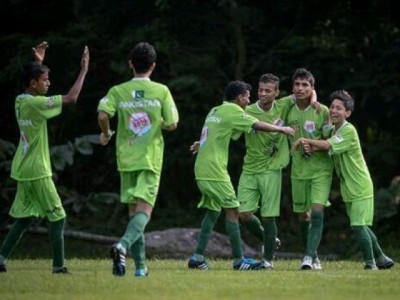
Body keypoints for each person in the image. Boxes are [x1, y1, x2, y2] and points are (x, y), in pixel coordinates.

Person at [0, 41, 89, 274]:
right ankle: (59, 267)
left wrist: (38, 63)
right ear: (33, 83)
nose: (48, 82)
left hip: (22, 167)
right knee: (58, 217)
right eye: (45, 79)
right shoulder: (37, 104)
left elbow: (33, 83)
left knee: (25, 218)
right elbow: (71, 98)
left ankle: (0, 260)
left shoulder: (21, 99)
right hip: (37, 169)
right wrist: (84, 70)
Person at [188, 80, 295, 271]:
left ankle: (197, 258)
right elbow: (257, 125)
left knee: (212, 212)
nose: (249, 100)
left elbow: (215, 133)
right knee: (233, 211)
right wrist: (282, 129)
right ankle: (239, 261)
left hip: (202, 169)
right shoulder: (234, 111)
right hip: (215, 172)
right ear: (239, 98)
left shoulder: (215, 110)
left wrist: (199, 144)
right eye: (247, 96)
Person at [97, 42, 179, 277]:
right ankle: (122, 245)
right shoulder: (161, 91)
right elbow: (173, 124)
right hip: (150, 158)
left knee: (134, 214)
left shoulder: (117, 90)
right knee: (144, 212)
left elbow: (103, 114)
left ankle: (140, 267)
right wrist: (159, 123)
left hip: (126, 157)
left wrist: (106, 132)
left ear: (130, 63)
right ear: (153, 66)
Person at [291, 90, 395, 270]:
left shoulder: (348, 130)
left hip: (360, 185)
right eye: (332, 107)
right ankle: (381, 258)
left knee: (358, 226)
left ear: (348, 113)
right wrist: (314, 98)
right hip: (348, 186)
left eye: (339, 108)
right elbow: (323, 137)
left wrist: (302, 140)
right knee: (360, 225)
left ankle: (371, 264)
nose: (333, 111)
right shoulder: (333, 130)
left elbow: (325, 144)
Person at [285, 68, 333, 270]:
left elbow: (330, 137)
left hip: (321, 169)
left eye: (305, 85)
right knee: (302, 216)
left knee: (317, 212)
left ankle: (307, 257)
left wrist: (313, 143)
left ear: (312, 88)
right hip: (298, 170)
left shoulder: (322, 110)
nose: (300, 88)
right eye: (297, 84)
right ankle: (311, 254)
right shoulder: (287, 108)